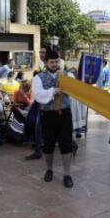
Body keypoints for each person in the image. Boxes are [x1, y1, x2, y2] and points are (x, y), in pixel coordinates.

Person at [32, 47, 74, 188]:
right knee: (48, 144)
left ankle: (67, 174)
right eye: (52, 62)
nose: (55, 64)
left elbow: (76, 88)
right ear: (46, 62)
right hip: (48, 115)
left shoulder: (67, 75)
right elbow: (38, 95)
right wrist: (52, 91)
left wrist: (66, 78)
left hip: (64, 114)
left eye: (57, 61)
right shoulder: (38, 77)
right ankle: (49, 169)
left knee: (66, 144)